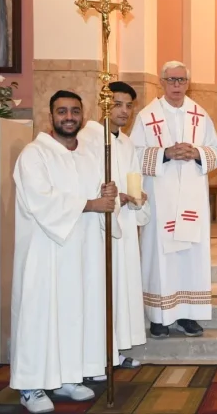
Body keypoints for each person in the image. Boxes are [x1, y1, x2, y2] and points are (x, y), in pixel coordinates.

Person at [10, 90, 117, 413]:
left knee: (72, 313)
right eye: (62, 111)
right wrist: (92, 203)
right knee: (39, 316)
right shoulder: (34, 155)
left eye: (74, 111)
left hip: (79, 252)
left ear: (82, 116)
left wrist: (108, 193)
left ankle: (67, 376)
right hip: (45, 252)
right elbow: (42, 200)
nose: (69, 117)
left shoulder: (86, 156)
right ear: (51, 116)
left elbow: (97, 196)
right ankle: (30, 385)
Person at [130, 61, 217, 338]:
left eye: (181, 80)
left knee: (190, 257)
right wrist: (165, 153)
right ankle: (159, 317)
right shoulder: (147, 116)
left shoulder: (199, 114)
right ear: (161, 82)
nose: (176, 85)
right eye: (171, 80)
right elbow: (132, 154)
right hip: (160, 199)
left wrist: (197, 153)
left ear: (187, 83)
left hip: (192, 199)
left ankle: (188, 314)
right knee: (160, 258)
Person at [78, 81, 150, 373]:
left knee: (120, 290)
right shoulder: (87, 138)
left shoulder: (126, 142)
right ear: (104, 104)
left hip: (124, 225)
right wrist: (113, 197)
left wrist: (137, 196)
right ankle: (96, 358)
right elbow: (85, 183)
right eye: (117, 104)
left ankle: (115, 351)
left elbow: (133, 178)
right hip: (99, 226)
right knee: (101, 290)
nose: (124, 111)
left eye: (129, 106)